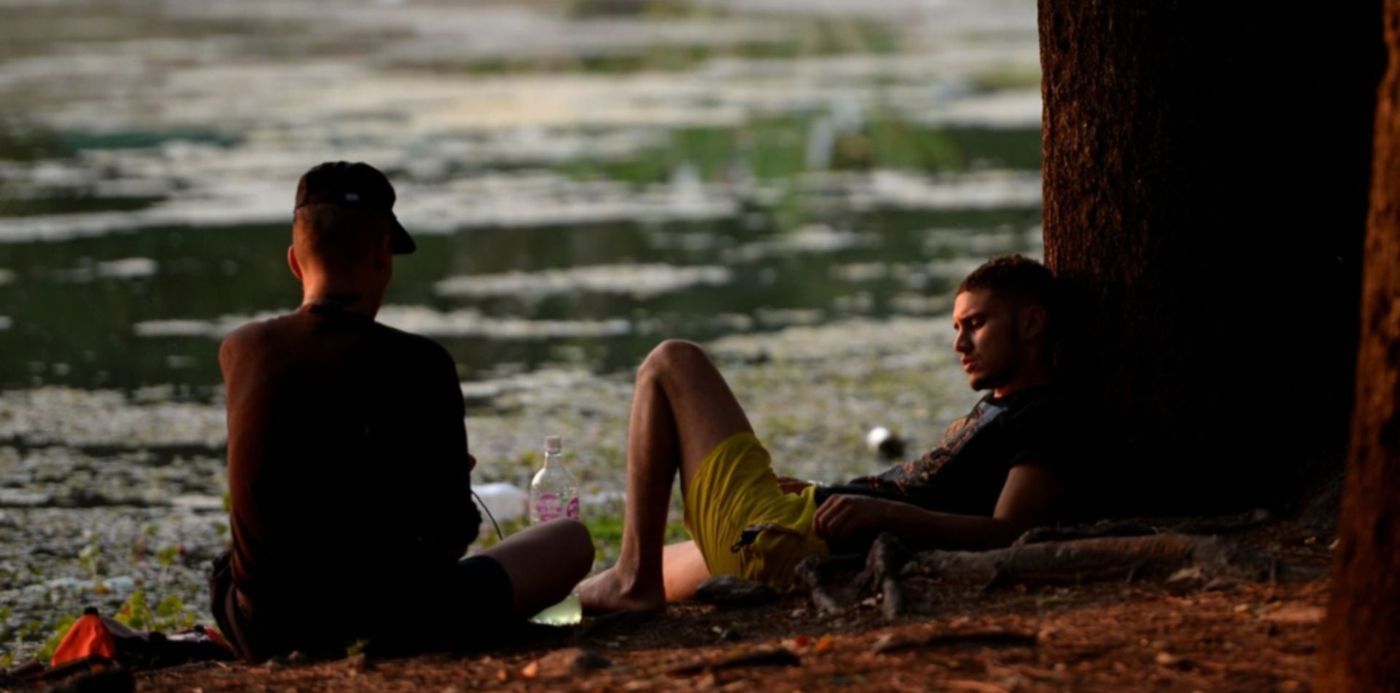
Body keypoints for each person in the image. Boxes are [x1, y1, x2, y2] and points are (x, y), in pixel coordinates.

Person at [209, 161, 594, 661]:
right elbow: (452, 534)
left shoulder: (240, 350)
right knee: (570, 540)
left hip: (264, 630)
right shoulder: (423, 362)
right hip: (401, 624)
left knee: (230, 564)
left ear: (294, 262)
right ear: (381, 255)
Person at [577, 255, 1070, 612]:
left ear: (1031, 323)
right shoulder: (999, 406)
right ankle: (570, 584)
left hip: (797, 545)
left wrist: (884, 512)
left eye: (976, 324)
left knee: (671, 361)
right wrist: (821, 492)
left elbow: (1009, 534)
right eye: (957, 327)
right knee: (628, 572)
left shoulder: (1044, 417)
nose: (959, 343)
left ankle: (632, 583)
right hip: (795, 530)